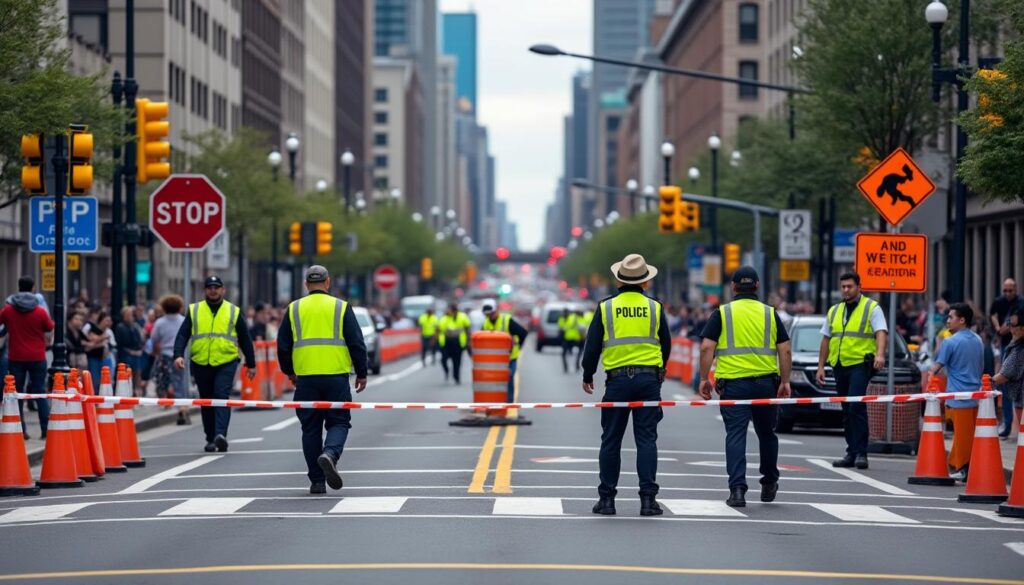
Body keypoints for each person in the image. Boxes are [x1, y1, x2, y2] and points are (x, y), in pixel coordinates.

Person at [580, 253, 671, 517]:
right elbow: (666, 343)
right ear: (644, 282)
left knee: (611, 440)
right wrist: (660, 370)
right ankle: (648, 501)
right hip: (648, 380)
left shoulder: (606, 307)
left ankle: (607, 500)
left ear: (619, 281)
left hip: (617, 381)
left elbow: (593, 345)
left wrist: (588, 374)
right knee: (646, 440)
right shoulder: (655, 307)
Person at [699, 267, 792, 507]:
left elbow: (707, 348)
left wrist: (703, 378)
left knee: (736, 435)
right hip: (765, 384)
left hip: (734, 385)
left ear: (733, 286)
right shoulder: (771, 314)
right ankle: (769, 481)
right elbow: (785, 349)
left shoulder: (722, 313)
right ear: (758, 286)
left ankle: (737, 490)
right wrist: (785, 381)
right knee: (767, 433)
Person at [277, 265, 368, 494]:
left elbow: (283, 345)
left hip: (306, 378)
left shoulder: (294, 308)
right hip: (335, 376)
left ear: (306, 284)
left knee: (310, 429)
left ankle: (317, 481)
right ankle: (330, 454)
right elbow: (356, 342)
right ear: (328, 282)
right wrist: (362, 372)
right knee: (339, 422)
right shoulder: (341, 307)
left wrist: (290, 371)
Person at [174, 276, 256, 452]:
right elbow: (182, 335)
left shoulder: (233, 311)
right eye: (210, 287)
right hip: (200, 361)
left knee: (220, 395)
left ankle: (220, 435)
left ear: (223, 290)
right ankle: (210, 438)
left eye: (217, 287)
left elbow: (245, 338)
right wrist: (178, 355)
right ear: (205, 290)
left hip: (226, 361)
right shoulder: (195, 310)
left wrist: (251, 363)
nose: (213, 290)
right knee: (206, 401)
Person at [816, 271, 888, 470]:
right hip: (839, 364)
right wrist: (821, 366)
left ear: (859, 287)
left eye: (850, 286)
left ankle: (861, 453)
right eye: (843, 286)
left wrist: (880, 354)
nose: (846, 290)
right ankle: (851, 451)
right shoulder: (834, 310)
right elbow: (826, 339)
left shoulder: (871, 307)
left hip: (859, 364)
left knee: (856, 406)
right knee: (846, 410)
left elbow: (881, 332)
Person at [931, 303, 985, 481]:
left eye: (951, 317)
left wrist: (930, 379)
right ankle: (967, 467)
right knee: (970, 436)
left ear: (962, 320)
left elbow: (937, 367)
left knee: (961, 438)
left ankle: (962, 468)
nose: (947, 321)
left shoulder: (950, 342)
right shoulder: (978, 340)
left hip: (956, 397)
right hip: (975, 397)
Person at [0, 276, 54, 439]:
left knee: (17, 394)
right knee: (39, 393)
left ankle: (21, 430)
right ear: (32, 289)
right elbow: (49, 327)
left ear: (18, 287)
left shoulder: (9, 310)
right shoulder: (39, 311)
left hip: (16, 357)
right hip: (37, 356)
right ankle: (45, 429)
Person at [990, 278, 1023, 437]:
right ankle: (1007, 423)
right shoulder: (999, 301)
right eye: (1005, 290)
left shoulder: (1020, 303)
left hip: (1013, 345)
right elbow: (992, 314)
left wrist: (990, 382)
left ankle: (1009, 425)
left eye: (1011, 290)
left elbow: (1006, 373)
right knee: (1008, 388)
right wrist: (998, 327)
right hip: (1006, 344)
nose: (1008, 293)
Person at [481, 301, 529, 402]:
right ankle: (496, 401)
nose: (489, 316)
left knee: (509, 376)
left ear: (496, 311)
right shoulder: (486, 323)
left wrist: (519, 346)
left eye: (491, 314)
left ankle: (509, 402)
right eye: (487, 315)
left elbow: (523, 333)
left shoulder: (506, 320)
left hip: (509, 357)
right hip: (494, 359)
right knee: (495, 380)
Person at [993, 308, 1024, 441]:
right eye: (1009, 324)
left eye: (1013, 325)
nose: (1010, 328)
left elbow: (1004, 375)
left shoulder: (1019, 350)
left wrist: (986, 382)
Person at [438, 303, 471, 384]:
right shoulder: (444, 318)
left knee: (457, 362)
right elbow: (439, 329)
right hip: (446, 343)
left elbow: (467, 327)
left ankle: (456, 377)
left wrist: (468, 341)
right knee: (443, 359)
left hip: (458, 343)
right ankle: (447, 371)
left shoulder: (462, 317)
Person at [115, 306, 145, 393]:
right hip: (126, 354)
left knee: (137, 373)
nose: (129, 316)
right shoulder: (120, 327)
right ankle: (128, 390)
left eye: (131, 314)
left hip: (137, 353)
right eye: (127, 314)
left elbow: (140, 339)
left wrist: (139, 349)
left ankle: (137, 391)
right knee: (127, 372)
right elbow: (120, 342)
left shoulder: (135, 326)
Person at [83, 311, 115, 389]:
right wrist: (101, 340)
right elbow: (88, 343)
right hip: (94, 358)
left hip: (105, 359)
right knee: (94, 381)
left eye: (110, 321)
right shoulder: (91, 328)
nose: (108, 323)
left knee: (106, 381)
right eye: (106, 320)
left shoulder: (109, 332)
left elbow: (112, 345)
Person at [560, 307, 584, 373]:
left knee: (565, 354)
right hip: (575, 338)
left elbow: (562, 327)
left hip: (569, 338)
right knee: (577, 352)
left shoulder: (568, 318)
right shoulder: (577, 317)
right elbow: (582, 327)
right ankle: (576, 366)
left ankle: (567, 367)